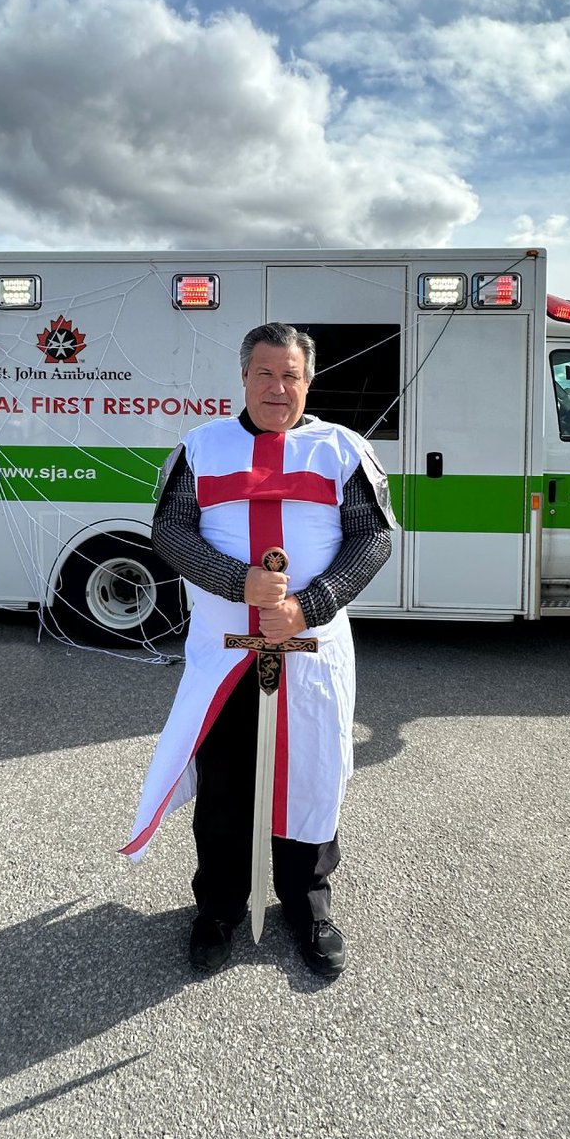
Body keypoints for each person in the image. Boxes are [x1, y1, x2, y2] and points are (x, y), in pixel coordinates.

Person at [121, 322, 395, 977]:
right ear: (244, 378)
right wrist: (237, 582)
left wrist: (309, 603)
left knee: (312, 777)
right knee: (224, 787)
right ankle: (218, 908)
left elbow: (372, 540)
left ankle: (307, 906)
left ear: (308, 380)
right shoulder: (202, 448)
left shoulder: (341, 450)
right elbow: (171, 530)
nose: (279, 387)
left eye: (291, 375)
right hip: (227, 652)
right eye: (266, 374)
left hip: (310, 650)